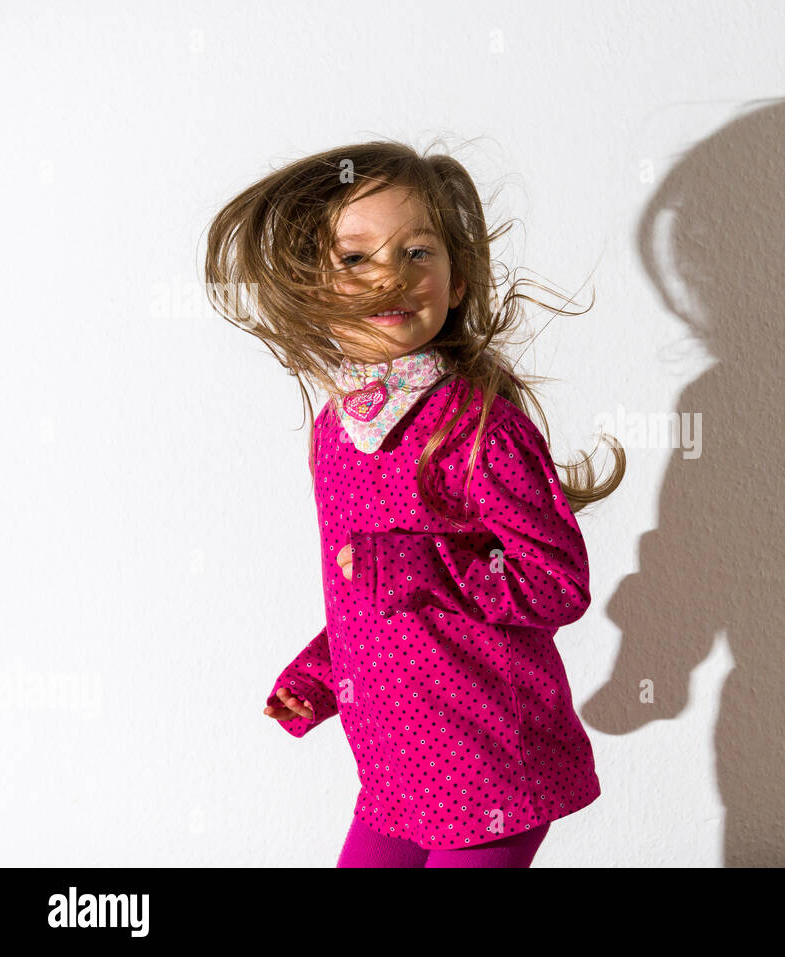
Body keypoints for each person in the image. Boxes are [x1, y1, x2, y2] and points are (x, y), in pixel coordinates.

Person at [204, 140, 624, 867]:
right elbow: (367, 591)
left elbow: (558, 582)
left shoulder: (478, 423)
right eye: (356, 258)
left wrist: (418, 561)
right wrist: (322, 670)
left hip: (491, 764)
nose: (392, 275)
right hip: (399, 774)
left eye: (417, 252)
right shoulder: (340, 430)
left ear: (457, 279)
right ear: (314, 287)